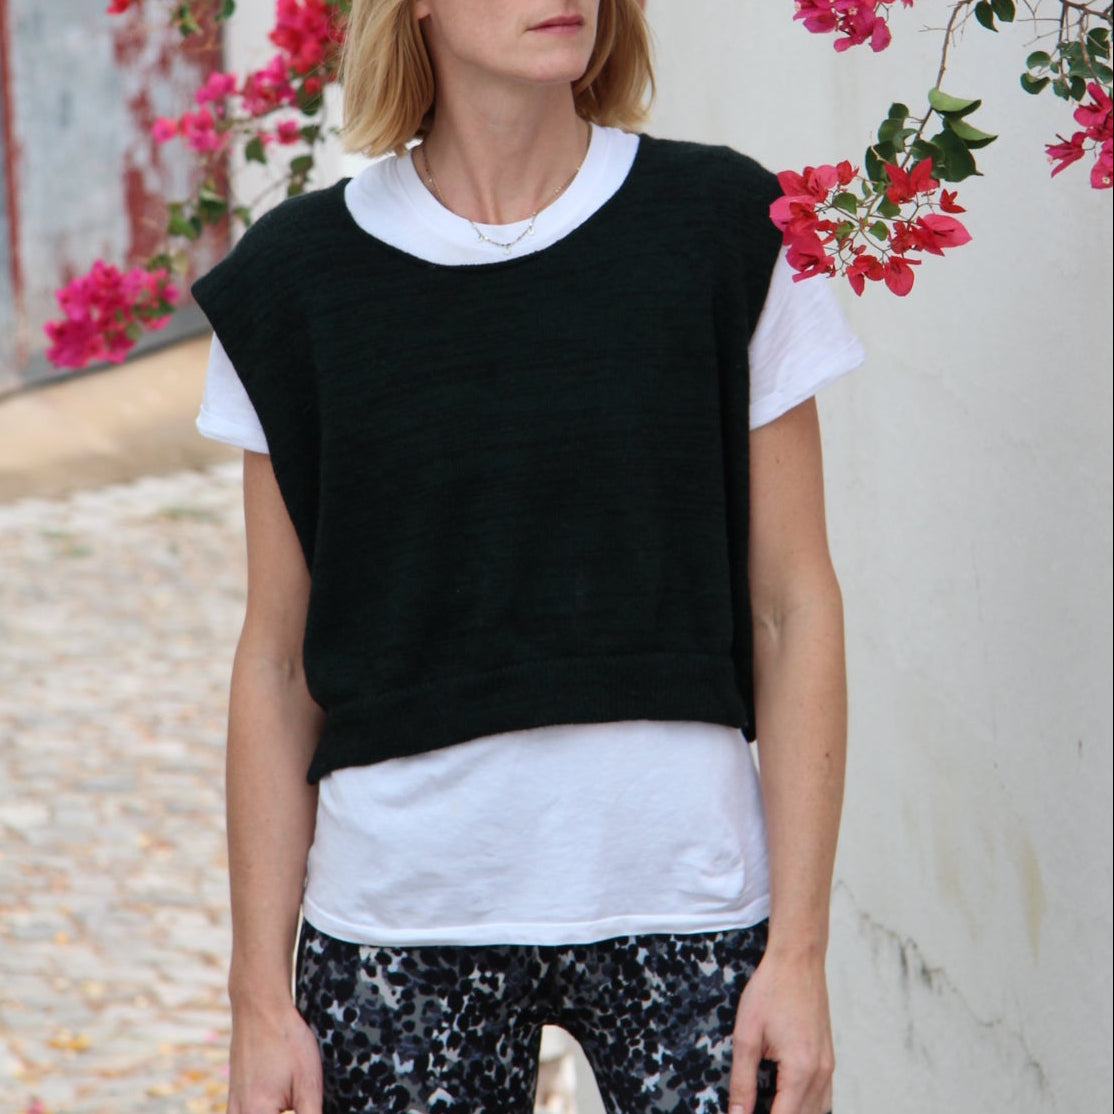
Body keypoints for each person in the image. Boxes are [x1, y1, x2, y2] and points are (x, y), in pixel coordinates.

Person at [192, 2, 861, 1112]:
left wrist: (799, 952)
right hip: (396, 922)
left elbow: (795, 607)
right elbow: (274, 662)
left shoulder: (724, 228)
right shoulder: (295, 283)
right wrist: (257, 997)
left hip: (687, 902)